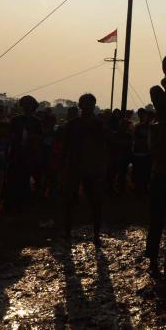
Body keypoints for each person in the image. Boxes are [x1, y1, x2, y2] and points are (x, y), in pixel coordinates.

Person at [62, 94, 106, 246]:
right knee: (70, 201)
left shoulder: (98, 124)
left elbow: (104, 146)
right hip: (75, 166)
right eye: (85, 105)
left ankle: (96, 234)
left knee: (95, 202)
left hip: (92, 168)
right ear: (81, 106)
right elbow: (65, 146)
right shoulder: (73, 124)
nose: (88, 107)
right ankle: (68, 232)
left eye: (90, 105)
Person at [132, 109, 151, 196]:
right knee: (139, 172)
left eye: (142, 115)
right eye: (140, 115)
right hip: (139, 152)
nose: (141, 116)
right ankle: (139, 189)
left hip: (145, 153)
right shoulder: (138, 126)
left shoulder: (147, 127)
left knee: (143, 172)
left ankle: (141, 189)